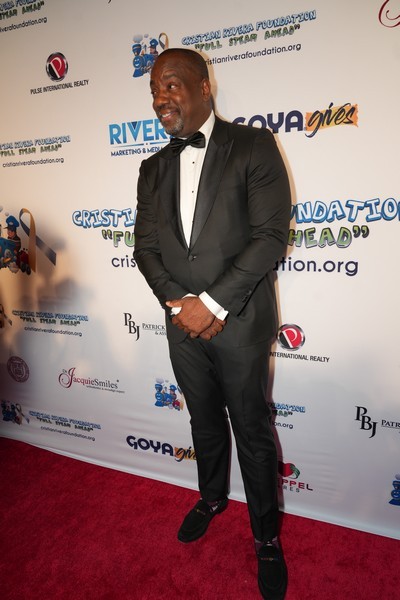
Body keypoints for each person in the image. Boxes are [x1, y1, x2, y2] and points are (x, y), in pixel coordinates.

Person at [134, 48, 291, 600]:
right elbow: (145, 248)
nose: (161, 98)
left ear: (205, 86)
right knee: (202, 421)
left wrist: (213, 305)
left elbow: (270, 236)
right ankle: (211, 497)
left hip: (240, 322)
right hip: (181, 324)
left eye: (172, 85)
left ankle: (266, 536)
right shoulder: (152, 168)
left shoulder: (253, 145)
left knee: (251, 429)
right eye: (155, 89)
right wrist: (180, 304)